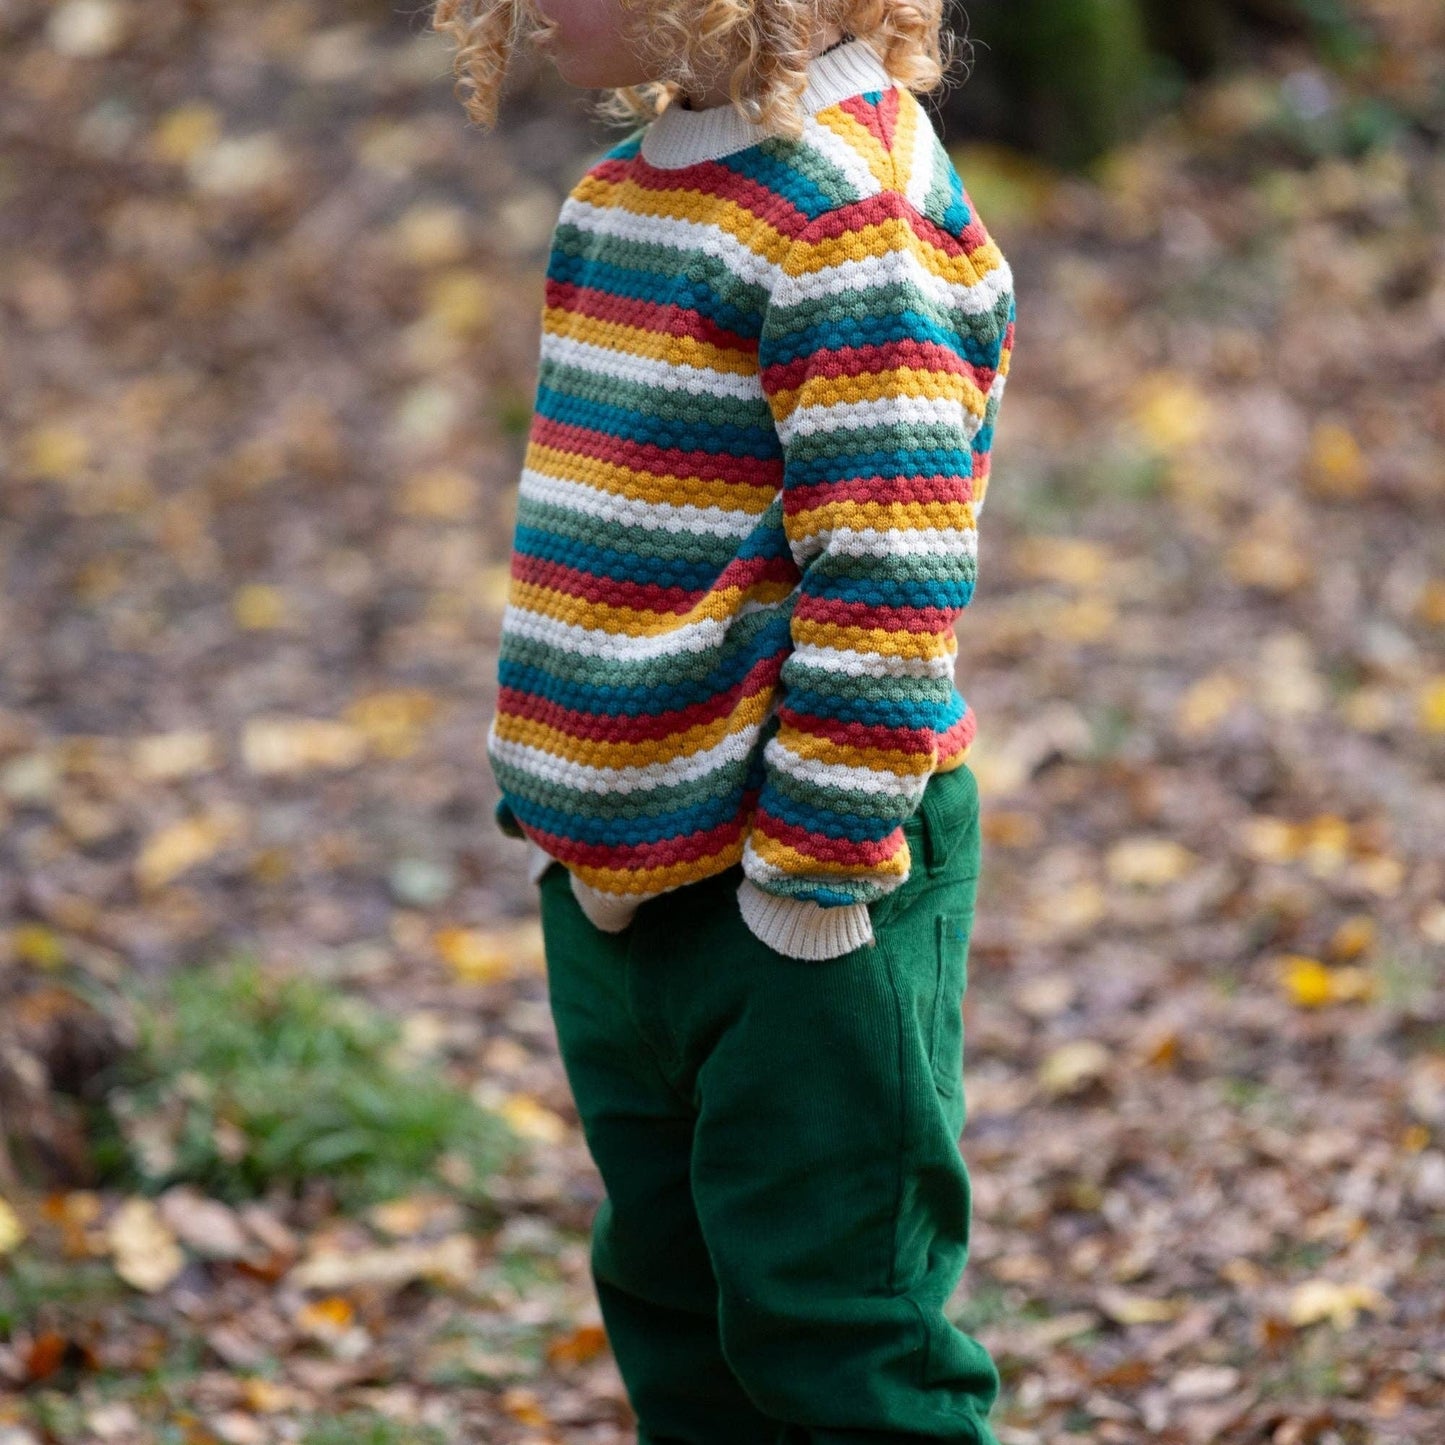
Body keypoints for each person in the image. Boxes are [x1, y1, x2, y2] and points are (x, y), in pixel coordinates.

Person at [432, 1, 1016, 1439]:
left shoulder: (840, 210)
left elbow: (888, 571)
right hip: (626, 882)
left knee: (838, 1335)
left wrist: (810, 883)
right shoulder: (627, 191)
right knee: (675, 1306)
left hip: (806, 885)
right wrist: (576, 819)